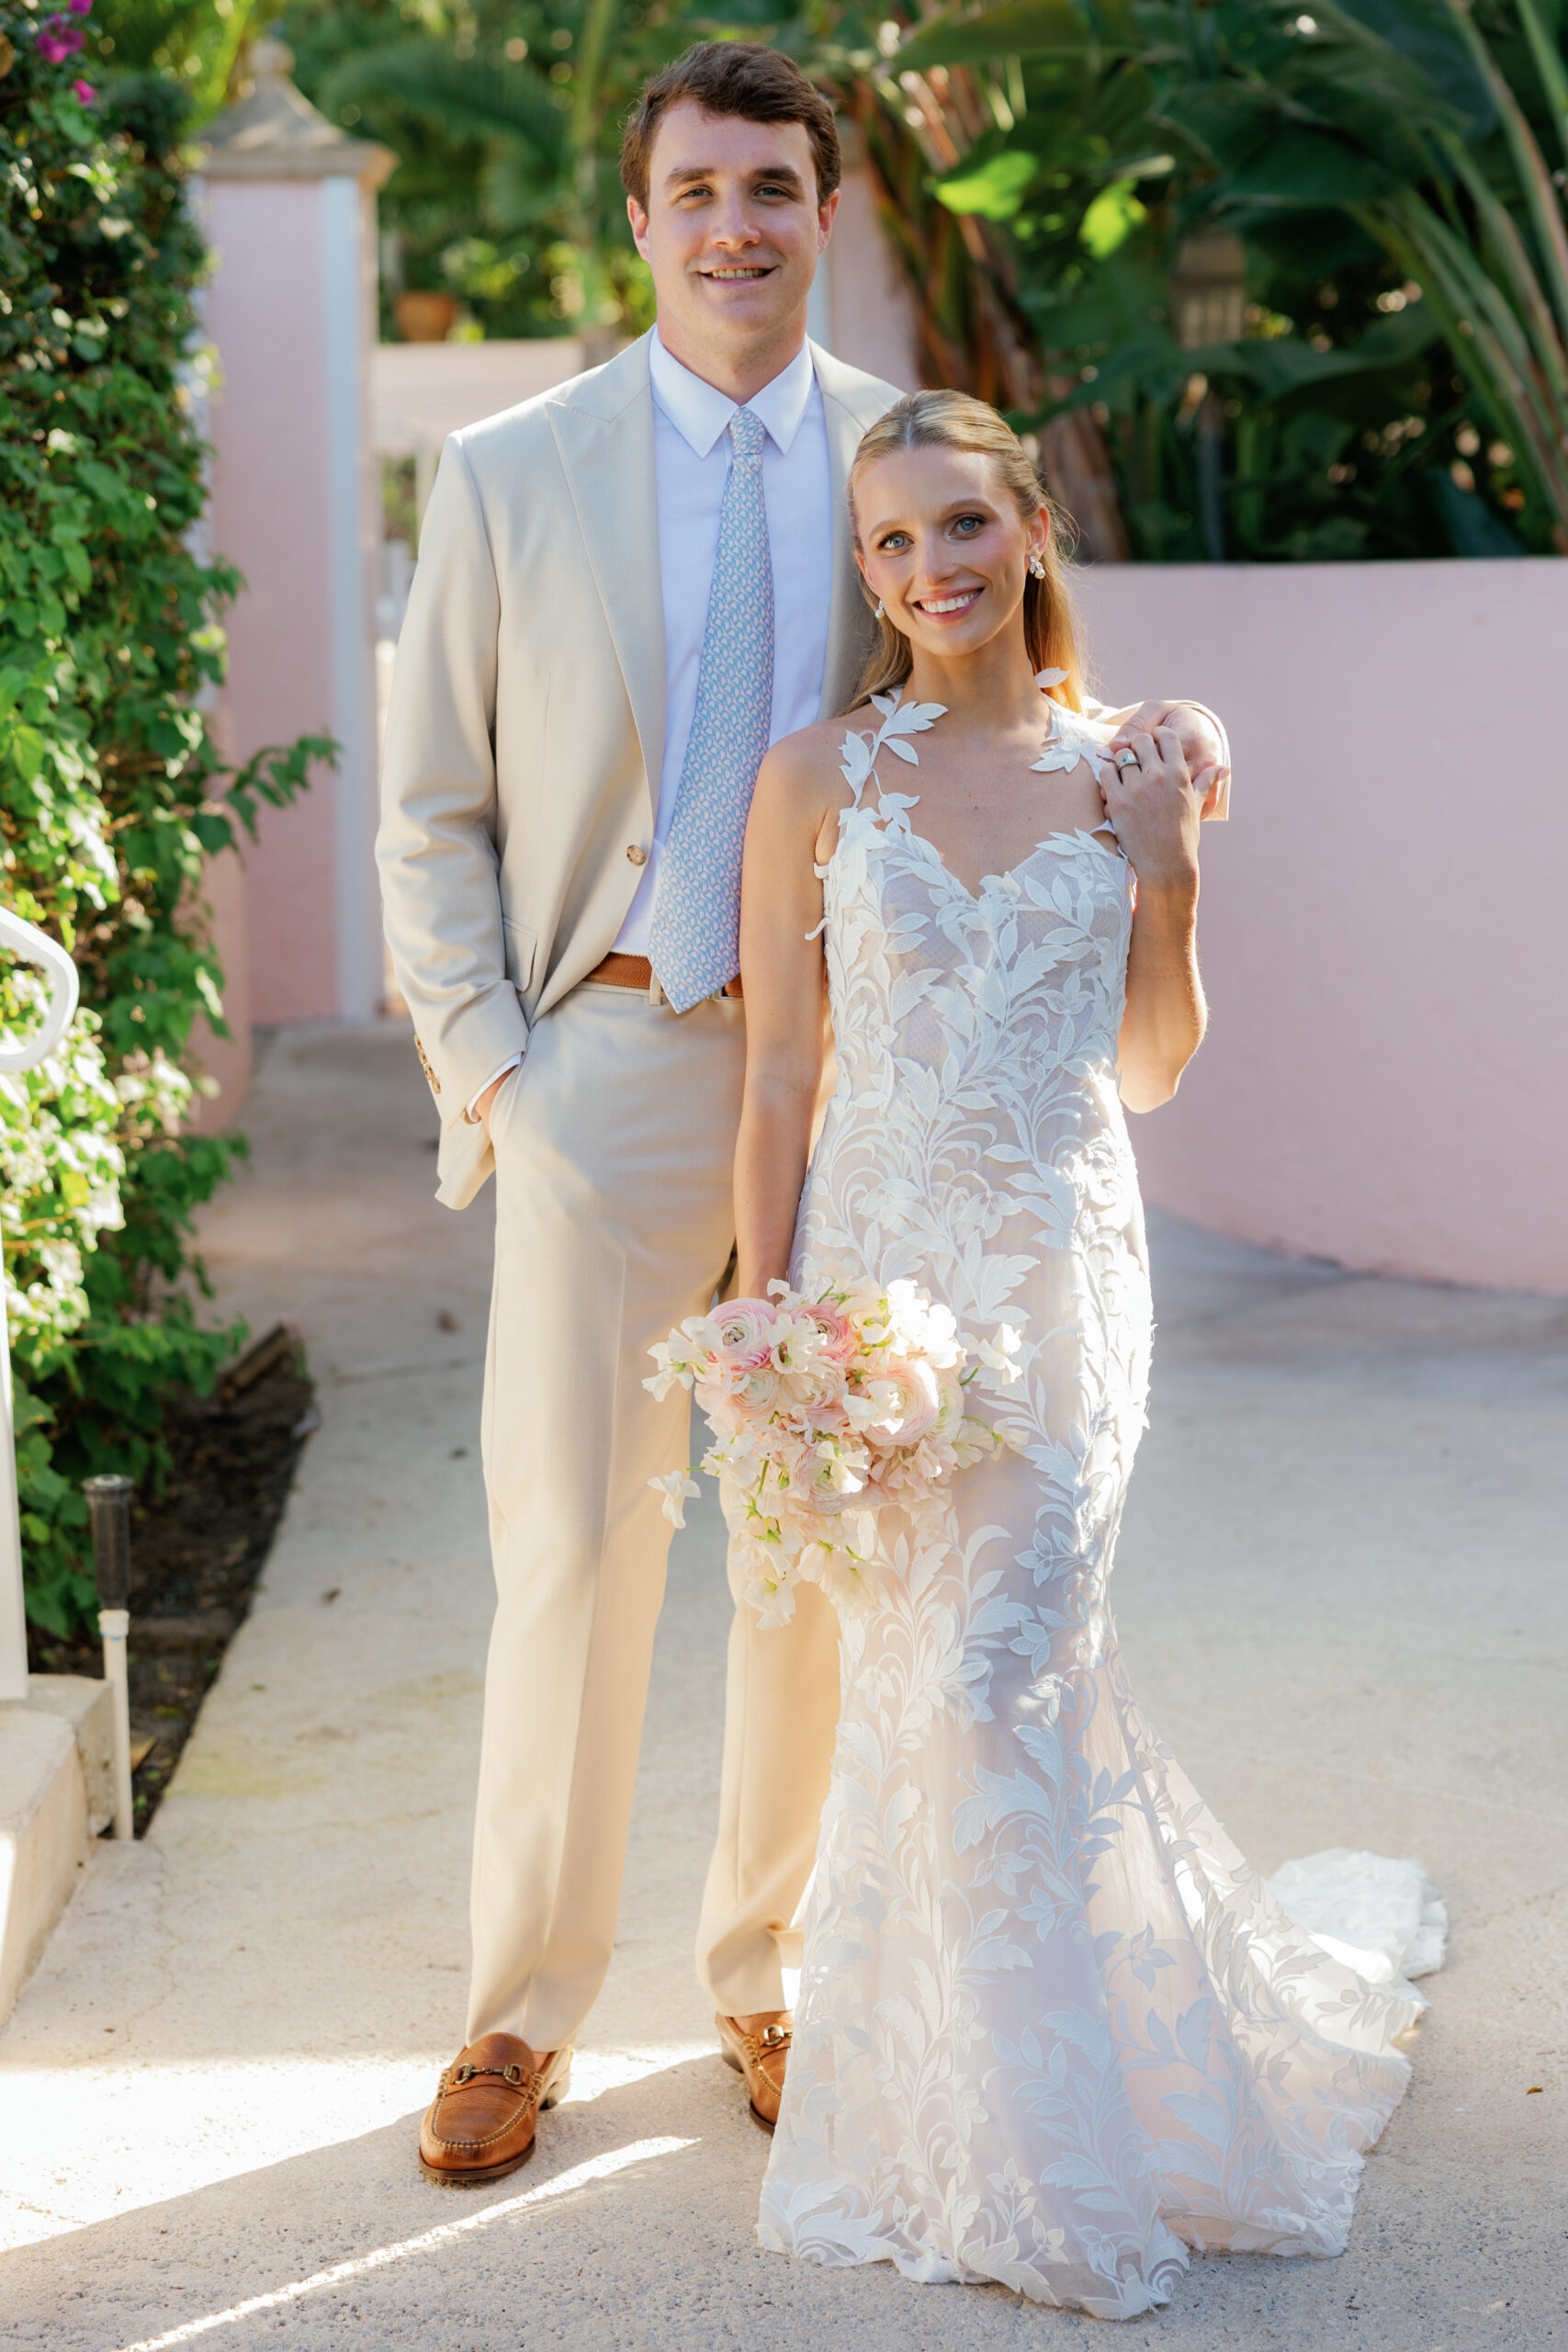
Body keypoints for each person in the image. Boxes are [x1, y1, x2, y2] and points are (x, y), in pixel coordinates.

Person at [378, 42, 1230, 2186]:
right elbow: (429, 810)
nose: (735, 224)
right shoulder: (503, 470)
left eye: (771, 183)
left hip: (867, 1085)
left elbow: (1022, 675)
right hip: (612, 1049)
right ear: (638, 223)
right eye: (694, 190)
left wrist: (1172, 733)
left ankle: (764, 1964)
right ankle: (517, 2007)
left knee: (810, 1561)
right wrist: (500, 1067)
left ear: (819, 211)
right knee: (571, 1541)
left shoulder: (908, 456)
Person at [733, 390, 1432, 2316]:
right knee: (920, 1699)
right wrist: (759, 1304)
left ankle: (1045, 2162)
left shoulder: (1129, 765)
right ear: (864, 571)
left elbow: (1141, 1068)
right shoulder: (814, 776)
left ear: (1029, 529)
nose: (927, 571)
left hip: (1053, 1284)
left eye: (959, 526)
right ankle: (927, 2111)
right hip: (873, 1309)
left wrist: (1170, 879)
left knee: (988, 1679)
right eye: (888, 543)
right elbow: (783, 1067)